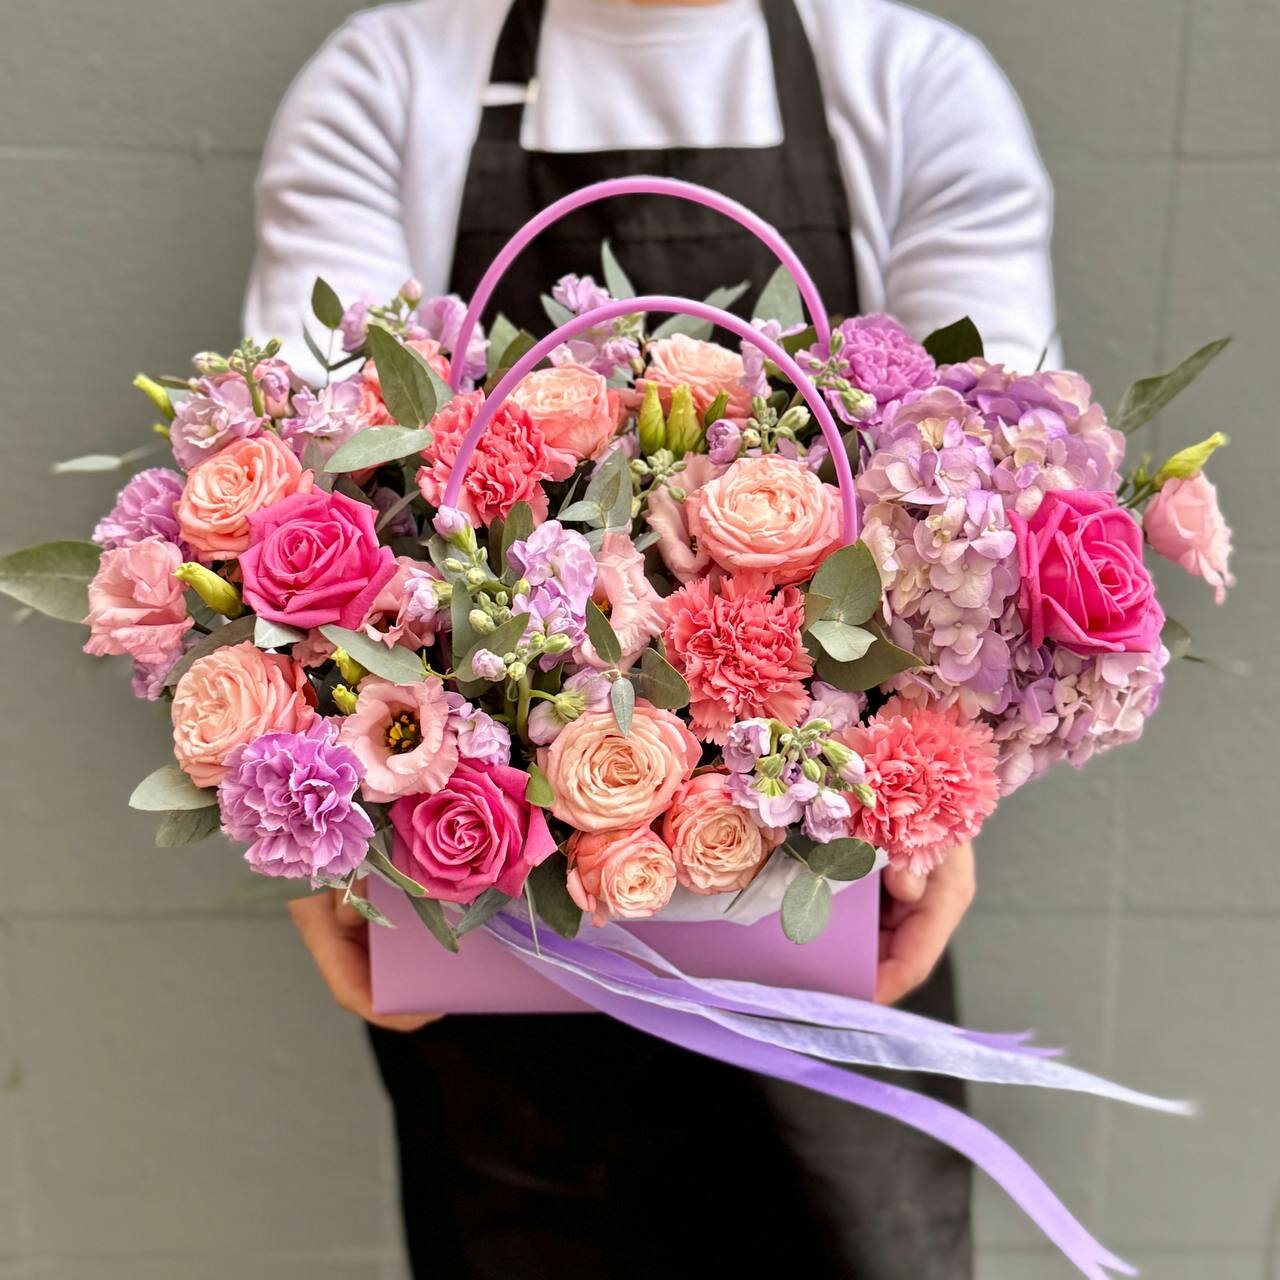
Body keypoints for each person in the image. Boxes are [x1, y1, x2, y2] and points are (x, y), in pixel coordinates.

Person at [248, 2, 1055, 1276]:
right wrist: (312, 831)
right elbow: (305, 456)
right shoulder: (393, 78)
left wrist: (939, 789)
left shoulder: (908, 79)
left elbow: (982, 487)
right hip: (488, 908)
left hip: (816, 915)